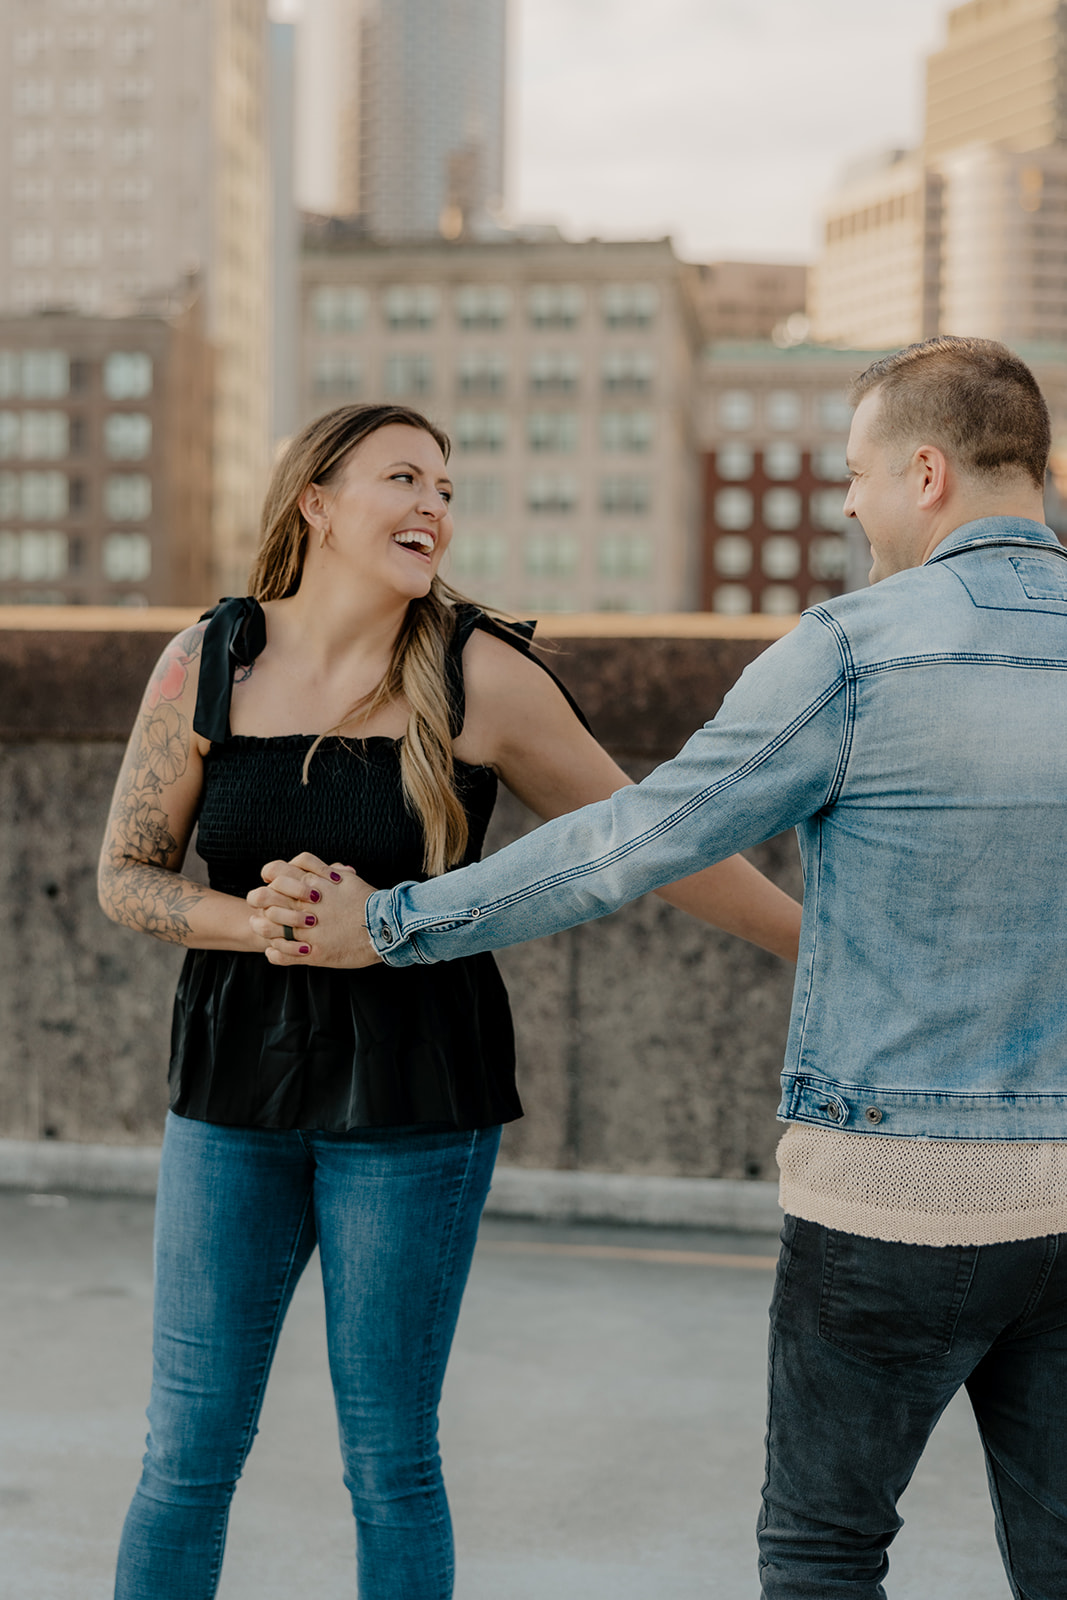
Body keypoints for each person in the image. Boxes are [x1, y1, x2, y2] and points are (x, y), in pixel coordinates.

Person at [251, 339, 1067, 1600]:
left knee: (822, 1554)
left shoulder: (854, 649)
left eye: (853, 476)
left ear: (924, 471)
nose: (844, 504)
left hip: (893, 1192)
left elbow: (629, 841)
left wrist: (394, 921)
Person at [97, 400, 801, 1600]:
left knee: (388, 1460)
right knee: (186, 1452)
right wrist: (258, 923)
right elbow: (126, 873)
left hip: (416, 1094)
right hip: (229, 1088)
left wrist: (815, 943)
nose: (433, 504)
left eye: (445, 487)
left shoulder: (477, 671)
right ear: (315, 502)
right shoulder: (208, 658)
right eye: (402, 478)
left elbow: (651, 839)